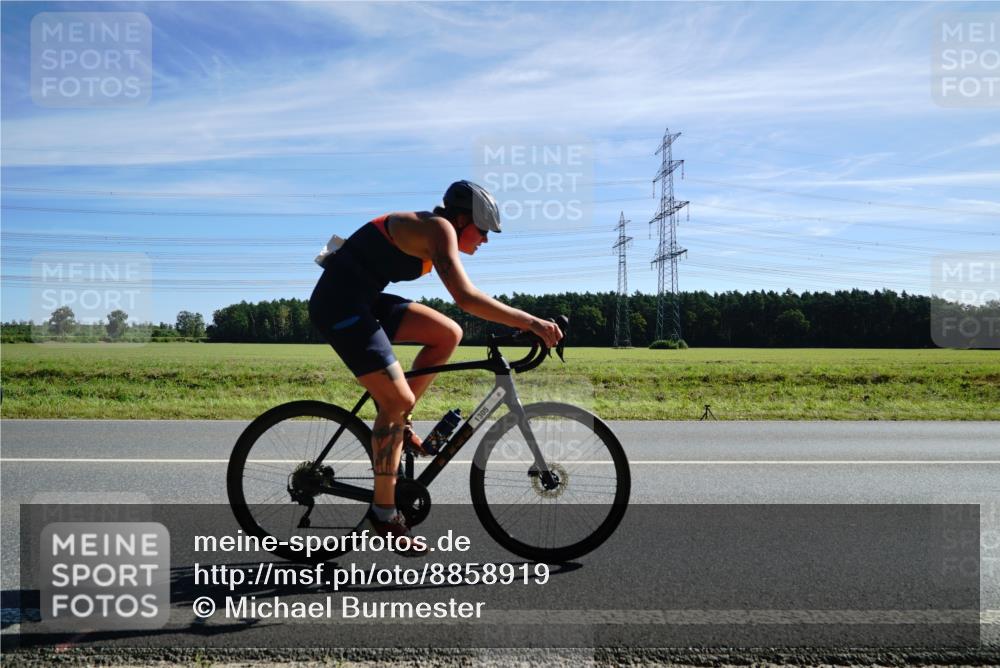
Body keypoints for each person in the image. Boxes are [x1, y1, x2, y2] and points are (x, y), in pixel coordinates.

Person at [308, 181, 563, 554]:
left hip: (363, 299)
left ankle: (400, 419)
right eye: (483, 232)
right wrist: (531, 322)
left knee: (447, 334)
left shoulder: (437, 229)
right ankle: (383, 512)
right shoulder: (439, 228)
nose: (486, 241)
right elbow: (465, 296)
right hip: (339, 306)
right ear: (462, 221)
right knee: (395, 400)